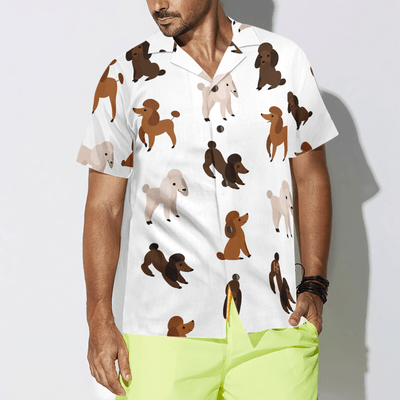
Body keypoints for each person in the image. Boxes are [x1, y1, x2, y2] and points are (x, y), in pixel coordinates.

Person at [76, 0, 339, 398]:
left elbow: (311, 175)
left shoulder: (286, 61)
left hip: (276, 323)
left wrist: (315, 284)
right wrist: (99, 319)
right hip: (163, 331)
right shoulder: (125, 75)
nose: (158, 5)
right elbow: (104, 206)